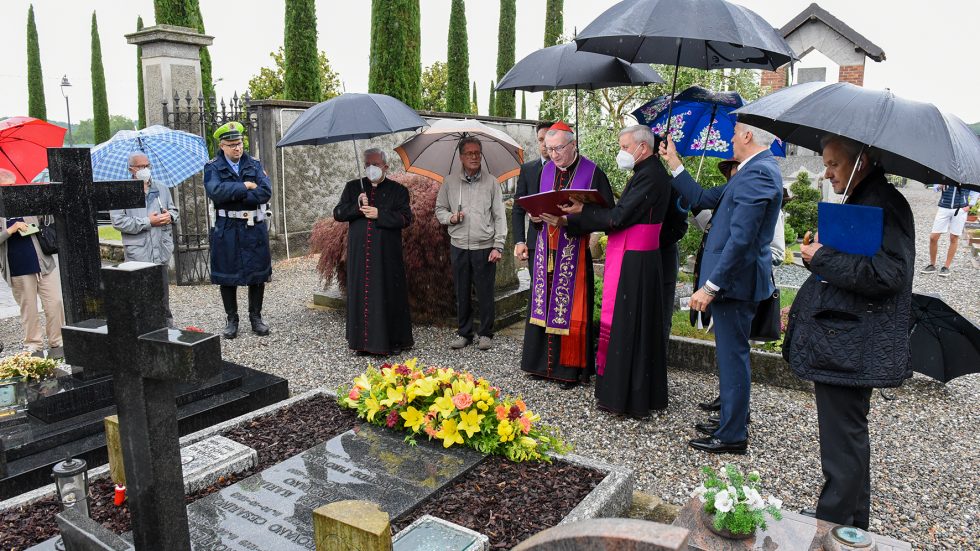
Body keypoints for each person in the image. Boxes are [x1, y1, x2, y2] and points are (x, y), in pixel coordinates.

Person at [787, 134, 914, 529]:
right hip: (844, 340)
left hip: (852, 346)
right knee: (847, 437)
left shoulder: (884, 204)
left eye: (834, 164)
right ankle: (852, 524)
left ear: (863, 160)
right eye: (826, 163)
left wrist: (822, 256)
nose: (826, 172)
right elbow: (853, 269)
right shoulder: (865, 199)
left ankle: (833, 525)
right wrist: (818, 269)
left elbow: (889, 274)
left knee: (843, 442)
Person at [660, 122, 783, 454]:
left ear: (747, 136)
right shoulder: (749, 171)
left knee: (733, 359)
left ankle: (732, 435)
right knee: (730, 358)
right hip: (734, 284)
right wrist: (674, 162)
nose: (729, 139)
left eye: (734, 133)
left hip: (734, 286)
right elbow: (700, 198)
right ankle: (731, 420)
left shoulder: (759, 174)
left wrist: (711, 287)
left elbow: (741, 241)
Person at [557, 125, 670, 417]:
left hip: (636, 261)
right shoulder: (646, 171)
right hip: (636, 256)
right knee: (631, 324)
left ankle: (628, 396)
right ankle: (632, 391)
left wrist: (581, 214)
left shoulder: (651, 175)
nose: (621, 152)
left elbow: (619, 217)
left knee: (629, 324)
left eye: (624, 146)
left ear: (642, 148)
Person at [521, 122, 614, 389]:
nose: (553, 155)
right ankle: (540, 366)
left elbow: (608, 217)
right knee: (542, 302)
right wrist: (535, 217)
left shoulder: (593, 172)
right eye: (549, 149)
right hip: (545, 250)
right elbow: (539, 205)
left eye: (559, 148)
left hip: (573, 252)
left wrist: (570, 220)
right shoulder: (546, 170)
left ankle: (568, 371)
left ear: (572, 145)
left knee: (569, 306)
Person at [333, 148, 414, 356]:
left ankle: (394, 341)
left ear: (385, 166)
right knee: (361, 295)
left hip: (387, 255)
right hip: (360, 256)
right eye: (368, 164)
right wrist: (357, 206)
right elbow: (339, 214)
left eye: (376, 164)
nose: (371, 168)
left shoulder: (398, 190)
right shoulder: (353, 188)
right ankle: (362, 343)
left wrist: (380, 214)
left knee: (389, 293)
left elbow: (406, 219)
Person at [435, 137, 507, 351]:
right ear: (461, 157)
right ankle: (464, 333)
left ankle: (485, 333)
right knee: (462, 291)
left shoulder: (491, 182)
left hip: (484, 245)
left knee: (485, 292)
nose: (474, 157)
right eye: (469, 153)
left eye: (477, 153)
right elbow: (439, 209)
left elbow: (500, 216)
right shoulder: (450, 182)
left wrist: (498, 245)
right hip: (458, 244)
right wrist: (451, 218)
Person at [204, 121, 273, 339]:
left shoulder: (253, 164)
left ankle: (256, 317)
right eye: (232, 144)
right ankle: (232, 319)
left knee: (257, 274)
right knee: (227, 275)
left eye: (240, 143)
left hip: (253, 227)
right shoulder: (213, 167)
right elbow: (215, 192)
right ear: (222, 145)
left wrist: (236, 194)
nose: (237, 148)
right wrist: (245, 186)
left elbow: (264, 192)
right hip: (227, 228)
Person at [110, 151, 180, 327]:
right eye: (141, 166)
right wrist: (148, 221)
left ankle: (166, 328)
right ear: (131, 169)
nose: (145, 169)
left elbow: (174, 210)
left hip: (161, 249)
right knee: (139, 296)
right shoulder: (120, 191)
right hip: (138, 252)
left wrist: (169, 216)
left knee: (162, 296)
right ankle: (142, 329)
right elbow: (118, 221)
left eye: (148, 165)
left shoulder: (161, 188)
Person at [0, 168, 65, 357]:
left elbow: (44, 221)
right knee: (28, 307)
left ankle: (57, 340)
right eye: (5, 187)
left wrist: (44, 206)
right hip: (17, 265)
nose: (10, 190)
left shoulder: (24, 201)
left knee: (55, 302)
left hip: (42, 262)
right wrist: (11, 230)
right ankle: (33, 343)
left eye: (12, 186)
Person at [512, 121, 553, 265]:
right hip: (535, 242)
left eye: (548, 139)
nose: (544, 144)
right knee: (536, 286)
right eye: (540, 140)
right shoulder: (527, 169)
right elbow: (518, 208)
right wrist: (519, 241)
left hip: (563, 241)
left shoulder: (568, 170)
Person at [922, 183, 971, 276]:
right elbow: (935, 189)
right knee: (933, 237)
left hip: (961, 209)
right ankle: (932, 264)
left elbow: (975, 191)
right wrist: (941, 184)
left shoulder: (966, 174)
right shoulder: (945, 174)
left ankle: (946, 267)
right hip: (943, 207)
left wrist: (969, 206)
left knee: (954, 237)